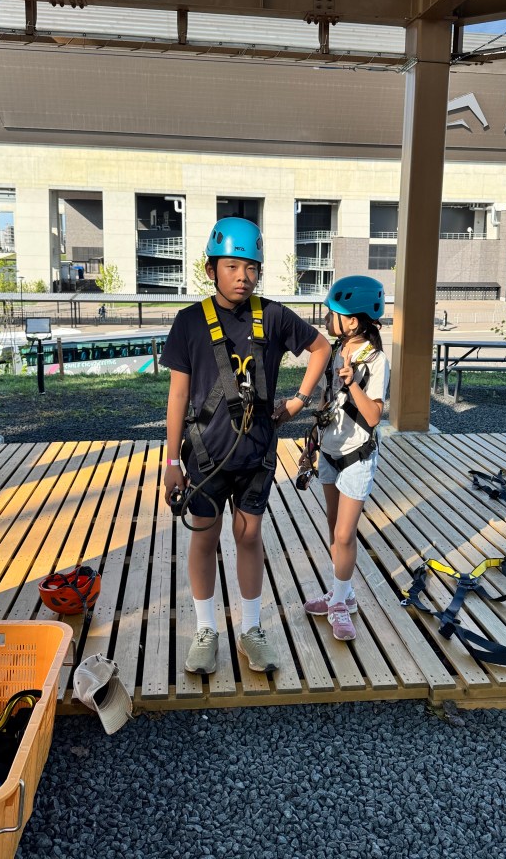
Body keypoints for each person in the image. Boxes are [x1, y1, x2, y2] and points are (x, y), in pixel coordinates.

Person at [162, 217, 331, 676]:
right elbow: (178, 394)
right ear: (211, 269)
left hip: (255, 453)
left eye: (251, 267)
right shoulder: (189, 322)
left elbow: (321, 347)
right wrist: (171, 461)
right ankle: (205, 630)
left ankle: (251, 629)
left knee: (249, 535)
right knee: (204, 535)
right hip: (205, 455)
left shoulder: (272, 316)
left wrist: (298, 401)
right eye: (232, 266)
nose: (243, 276)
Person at [303, 276, 390, 641]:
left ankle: (339, 604)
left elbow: (373, 416)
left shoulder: (377, 360)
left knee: (344, 533)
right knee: (333, 529)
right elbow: (326, 402)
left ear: (352, 321)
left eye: (333, 313)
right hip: (328, 451)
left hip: (357, 456)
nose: (326, 318)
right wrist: (312, 443)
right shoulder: (335, 350)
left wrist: (353, 382)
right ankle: (344, 593)